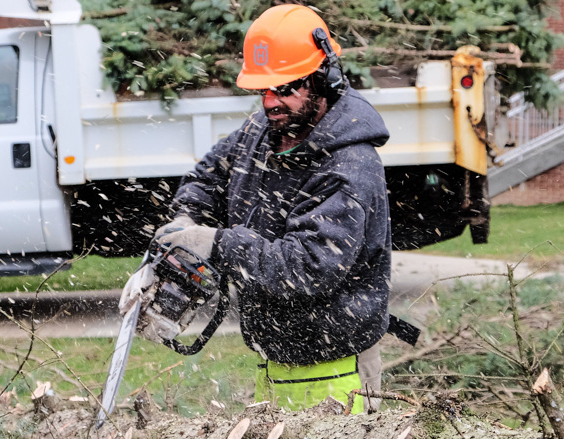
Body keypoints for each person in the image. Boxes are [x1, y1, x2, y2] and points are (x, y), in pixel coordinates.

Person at [123, 4, 391, 413]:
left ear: (324, 78)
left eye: (284, 88)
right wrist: (183, 228)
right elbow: (207, 178)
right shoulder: (262, 132)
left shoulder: (349, 167)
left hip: (336, 366)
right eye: (262, 90)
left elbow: (305, 269)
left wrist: (215, 244)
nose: (270, 102)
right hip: (275, 355)